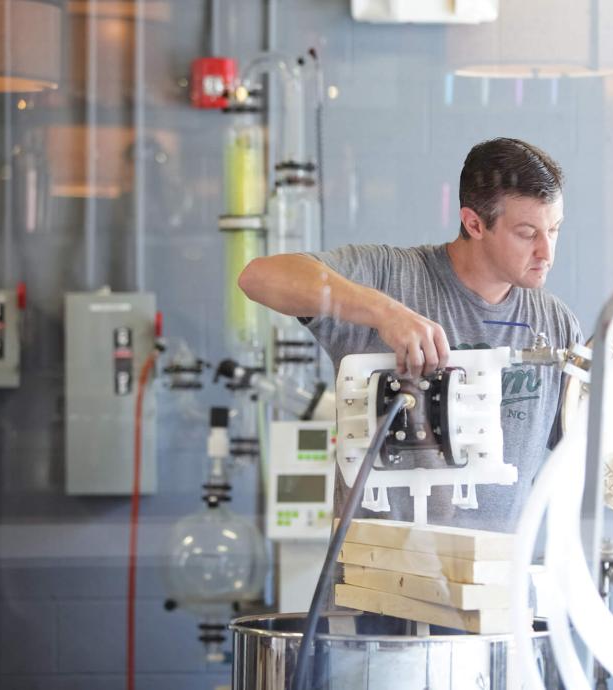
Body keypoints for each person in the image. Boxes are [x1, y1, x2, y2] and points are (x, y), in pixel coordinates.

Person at [239, 137, 581, 532]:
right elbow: (259, 277)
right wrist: (385, 312)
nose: (547, 252)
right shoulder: (392, 277)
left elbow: (590, 445)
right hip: (379, 580)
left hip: (492, 584)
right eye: (527, 233)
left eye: (553, 230)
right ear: (474, 223)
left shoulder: (554, 323)